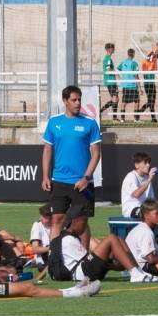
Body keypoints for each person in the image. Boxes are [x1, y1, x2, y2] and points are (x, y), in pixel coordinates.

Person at [41, 85, 102, 246]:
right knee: (56, 220)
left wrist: (86, 178)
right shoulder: (54, 122)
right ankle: (54, 259)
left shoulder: (90, 123)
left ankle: (82, 261)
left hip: (82, 183)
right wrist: (45, 176)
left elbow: (96, 153)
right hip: (59, 180)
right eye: (73, 100)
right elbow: (47, 149)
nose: (77, 103)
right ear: (65, 101)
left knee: (80, 225)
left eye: (79, 100)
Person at [60, 213, 158, 283]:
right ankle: (135, 274)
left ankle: (138, 271)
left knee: (119, 239)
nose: (85, 225)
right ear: (74, 222)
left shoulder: (71, 237)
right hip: (82, 273)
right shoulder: (68, 239)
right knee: (111, 238)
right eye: (83, 222)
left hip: (86, 271)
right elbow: (83, 260)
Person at [119, 152, 158, 255]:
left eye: (149, 162)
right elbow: (136, 194)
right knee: (153, 216)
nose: (148, 165)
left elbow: (151, 200)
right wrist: (150, 179)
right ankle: (152, 246)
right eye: (145, 162)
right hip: (133, 209)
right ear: (137, 165)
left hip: (147, 207)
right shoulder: (131, 177)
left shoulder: (147, 177)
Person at [117, 48, 141, 122]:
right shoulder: (134, 63)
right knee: (137, 102)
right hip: (133, 85)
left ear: (127, 54)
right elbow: (136, 76)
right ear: (133, 54)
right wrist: (140, 88)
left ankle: (122, 119)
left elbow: (117, 69)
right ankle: (136, 119)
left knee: (123, 102)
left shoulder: (123, 62)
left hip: (125, 85)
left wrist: (120, 78)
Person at [29, 204, 52, 279]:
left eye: (44, 217)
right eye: (41, 216)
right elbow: (35, 249)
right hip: (43, 258)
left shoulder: (58, 225)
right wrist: (51, 248)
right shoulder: (37, 226)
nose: (41, 218)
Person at [99, 43, 119, 121]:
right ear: (109, 49)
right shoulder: (107, 59)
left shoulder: (108, 58)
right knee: (115, 98)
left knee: (116, 99)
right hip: (110, 82)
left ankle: (100, 111)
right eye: (113, 48)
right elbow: (108, 69)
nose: (114, 49)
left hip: (112, 82)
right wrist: (116, 72)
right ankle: (114, 118)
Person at [140, 42, 158, 122]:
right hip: (148, 84)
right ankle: (139, 112)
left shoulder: (151, 61)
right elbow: (156, 55)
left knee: (152, 101)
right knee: (151, 101)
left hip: (151, 83)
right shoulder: (146, 63)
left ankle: (153, 118)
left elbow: (157, 55)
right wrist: (157, 49)